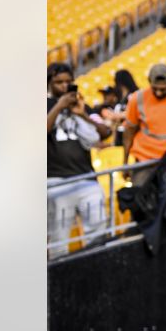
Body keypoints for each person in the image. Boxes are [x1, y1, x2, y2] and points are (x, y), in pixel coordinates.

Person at [47, 63, 113, 256]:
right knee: (59, 242)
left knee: (98, 235)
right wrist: (59, 106)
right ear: (49, 83)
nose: (64, 86)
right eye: (59, 82)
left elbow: (105, 133)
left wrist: (83, 114)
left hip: (86, 179)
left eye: (68, 82)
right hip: (56, 181)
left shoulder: (81, 104)